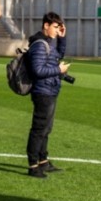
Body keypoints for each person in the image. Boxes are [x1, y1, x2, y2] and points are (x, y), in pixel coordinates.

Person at [25, 11, 71, 178]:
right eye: (56, 27)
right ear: (46, 25)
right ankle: (33, 165)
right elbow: (38, 70)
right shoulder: (39, 44)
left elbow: (58, 55)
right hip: (42, 91)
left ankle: (43, 161)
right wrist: (59, 70)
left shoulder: (49, 43)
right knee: (39, 129)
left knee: (46, 128)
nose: (58, 30)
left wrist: (62, 38)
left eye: (60, 27)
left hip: (50, 89)